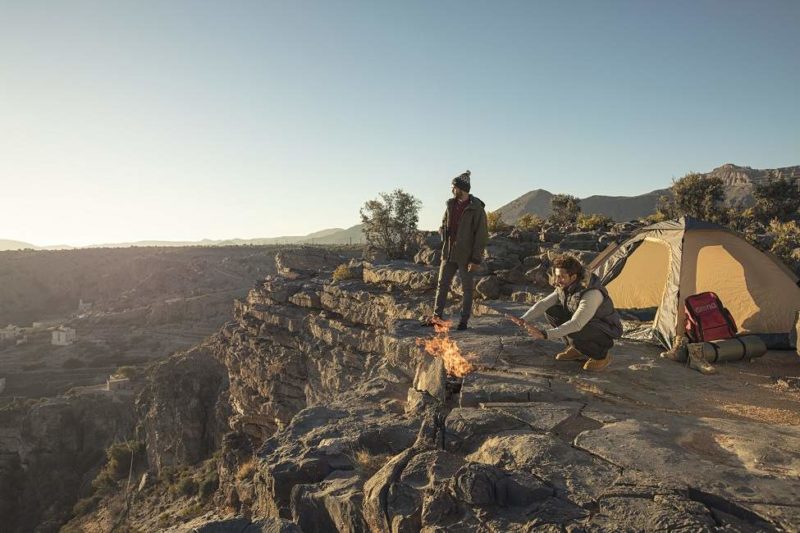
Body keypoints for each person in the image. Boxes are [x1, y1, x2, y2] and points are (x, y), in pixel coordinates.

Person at [517, 254, 622, 371]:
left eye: (561, 277)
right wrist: (523, 319)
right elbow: (544, 304)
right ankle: (577, 349)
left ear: (573, 277)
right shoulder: (565, 286)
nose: (556, 281)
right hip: (586, 324)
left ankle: (601, 356)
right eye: (556, 276)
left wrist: (545, 334)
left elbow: (577, 323)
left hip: (603, 331)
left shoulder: (591, 293)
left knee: (575, 329)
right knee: (552, 311)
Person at [423, 170, 489, 330]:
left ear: (461, 189)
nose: (452, 190)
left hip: (466, 256)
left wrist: (475, 259)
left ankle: (464, 321)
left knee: (467, 289)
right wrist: (442, 231)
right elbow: (445, 223)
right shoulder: (450, 205)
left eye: (453, 187)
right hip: (448, 253)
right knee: (442, 285)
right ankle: (437, 317)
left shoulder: (477, 209)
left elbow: (481, 235)